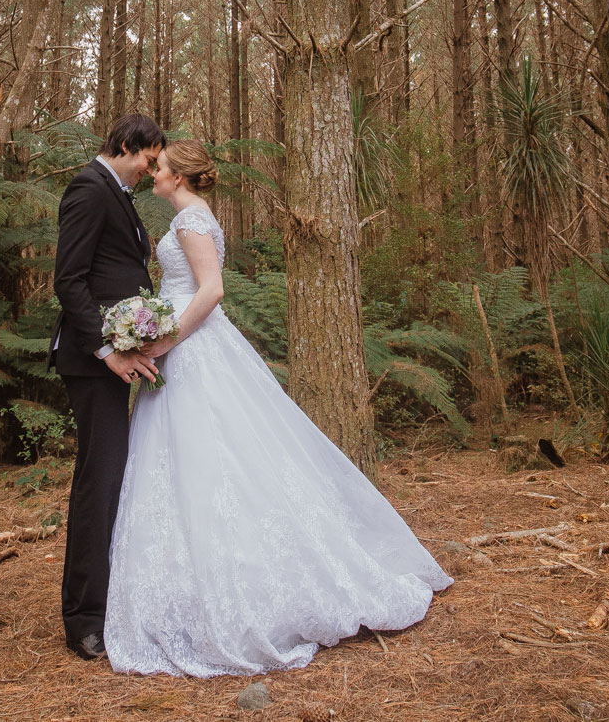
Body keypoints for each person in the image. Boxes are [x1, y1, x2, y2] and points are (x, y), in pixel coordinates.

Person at [104, 139, 452, 676]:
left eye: (161, 168)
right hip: (184, 344)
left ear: (180, 177)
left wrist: (164, 339)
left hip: (192, 345)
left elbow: (211, 290)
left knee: (212, 460)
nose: (154, 173)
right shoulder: (189, 219)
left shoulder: (193, 222)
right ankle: (188, 585)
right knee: (188, 465)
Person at [49, 113, 166, 661]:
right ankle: (83, 619)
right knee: (99, 482)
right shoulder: (89, 188)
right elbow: (68, 280)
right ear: (125, 144)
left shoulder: (118, 194)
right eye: (148, 156)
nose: (152, 166)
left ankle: (109, 598)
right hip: (93, 361)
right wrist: (107, 348)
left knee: (116, 478)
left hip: (118, 357)